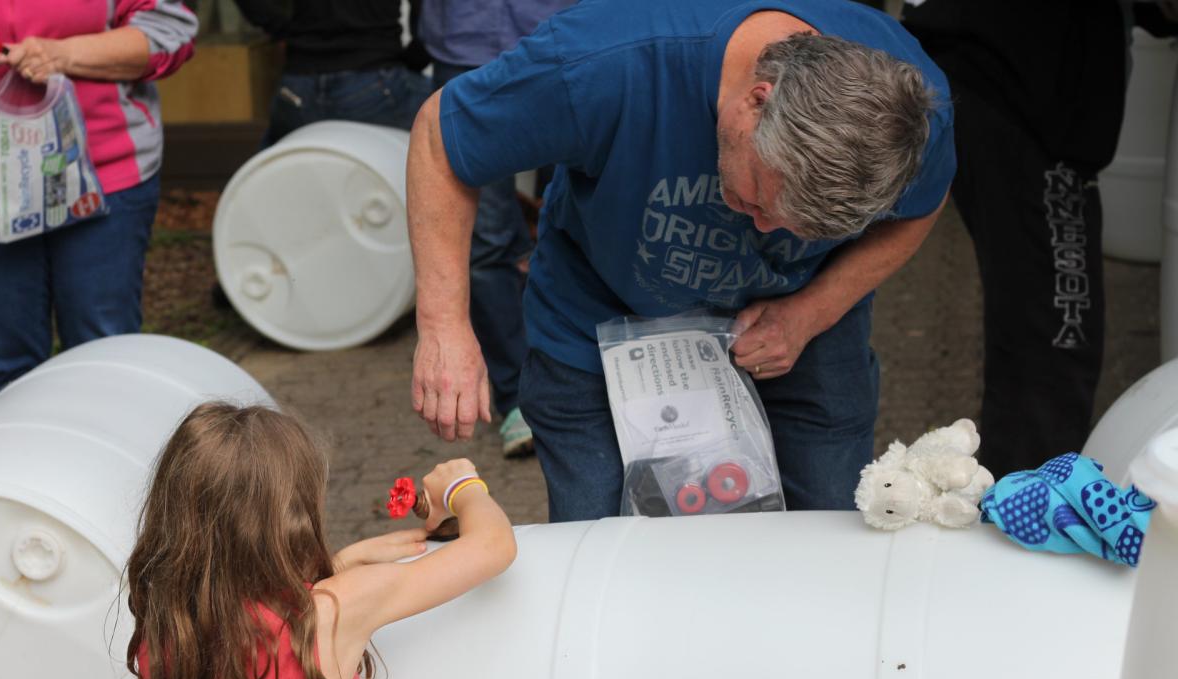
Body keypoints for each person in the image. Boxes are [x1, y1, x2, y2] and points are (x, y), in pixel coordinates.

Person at [406, 0, 955, 522]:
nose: (763, 228)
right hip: (600, 314)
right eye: (761, 197)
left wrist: (814, 310)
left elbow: (920, 208)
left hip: (797, 330)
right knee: (599, 540)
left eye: (803, 226)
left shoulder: (906, 110)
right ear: (756, 99)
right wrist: (445, 326)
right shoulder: (602, 61)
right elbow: (442, 138)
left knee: (830, 522)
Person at [124, 402, 560, 679]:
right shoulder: (331, 615)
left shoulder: (172, 631)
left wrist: (340, 566)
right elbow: (493, 546)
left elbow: (242, 612)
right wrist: (463, 488)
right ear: (291, 518)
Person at [0, 1, 197, 410]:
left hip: (103, 172)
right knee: (3, 372)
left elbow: (169, 31)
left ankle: (113, 471)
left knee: (104, 356)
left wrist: (62, 54)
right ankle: (12, 471)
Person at [900, 1, 1130, 477]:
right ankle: (1030, 519)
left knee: (1045, 341)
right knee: (1051, 346)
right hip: (1021, 90)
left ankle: (1026, 500)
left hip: (1008, 70)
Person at [419, 0, 575, 458]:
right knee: (485, 240)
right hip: (463, 48)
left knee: (574, 219)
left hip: (563, 41)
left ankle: (586, 380)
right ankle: (517, 398)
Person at [232, 0, 432, 147]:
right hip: (376, 82)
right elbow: (431, 20)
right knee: (447, 116)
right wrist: (413, 61)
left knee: (274, 159)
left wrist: (283, 29)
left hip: (300, 85)